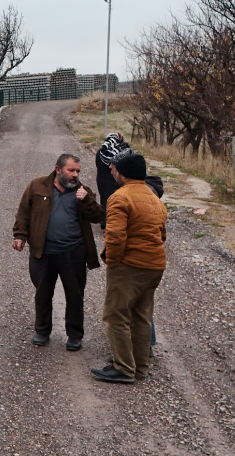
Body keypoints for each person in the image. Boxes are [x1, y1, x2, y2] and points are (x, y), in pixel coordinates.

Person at [12, 153, 103, 351]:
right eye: (71, 170)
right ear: (58, 169)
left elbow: (98, 217)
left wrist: (87, 200)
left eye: (78, 171)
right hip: (43, 252)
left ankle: (75, 335)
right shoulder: (37, 186)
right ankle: (42, 331)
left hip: (73, 252)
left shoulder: (83, 191)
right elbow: (23, 212)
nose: (75, 175)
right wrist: (20, 235)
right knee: (43, 293)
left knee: (75, 295)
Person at [92, 153, 168, 384]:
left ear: (123, 174)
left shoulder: (119, 197)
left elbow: (115, 236)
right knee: (141, 316)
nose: (112, 173)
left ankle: (123, 367)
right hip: (155, 264)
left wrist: (112, 262)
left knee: (115, 315)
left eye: (115, 170)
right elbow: (162, 234)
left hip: (130, 265)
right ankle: (140, 366)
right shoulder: (154, 197)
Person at [95, 132, 131, 225]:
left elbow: (97, 164)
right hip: (115, 179)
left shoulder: (101, 152)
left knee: (105, 199)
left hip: (102, 179)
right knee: (116, 200)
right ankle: (115, 221)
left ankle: (104, 221)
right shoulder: (120, 153)